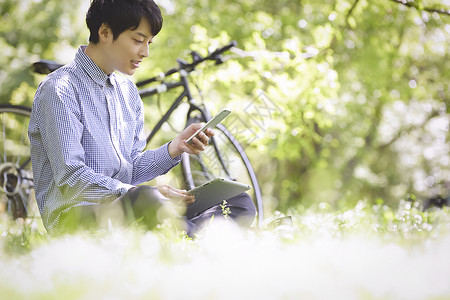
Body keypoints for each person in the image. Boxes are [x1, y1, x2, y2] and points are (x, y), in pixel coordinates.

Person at [28, 0, 256, 235]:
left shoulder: (127, 91)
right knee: (146, 199)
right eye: (138, 40)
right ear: (105, 32)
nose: (145, 52)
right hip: (76, 218)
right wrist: (133, 193)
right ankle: (208, 241)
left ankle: (192, 234)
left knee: (236, 200)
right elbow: (71, 178)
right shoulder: (60, 89)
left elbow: (131, 169)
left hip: (131, 206)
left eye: (149, 42)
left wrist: (175, 148)